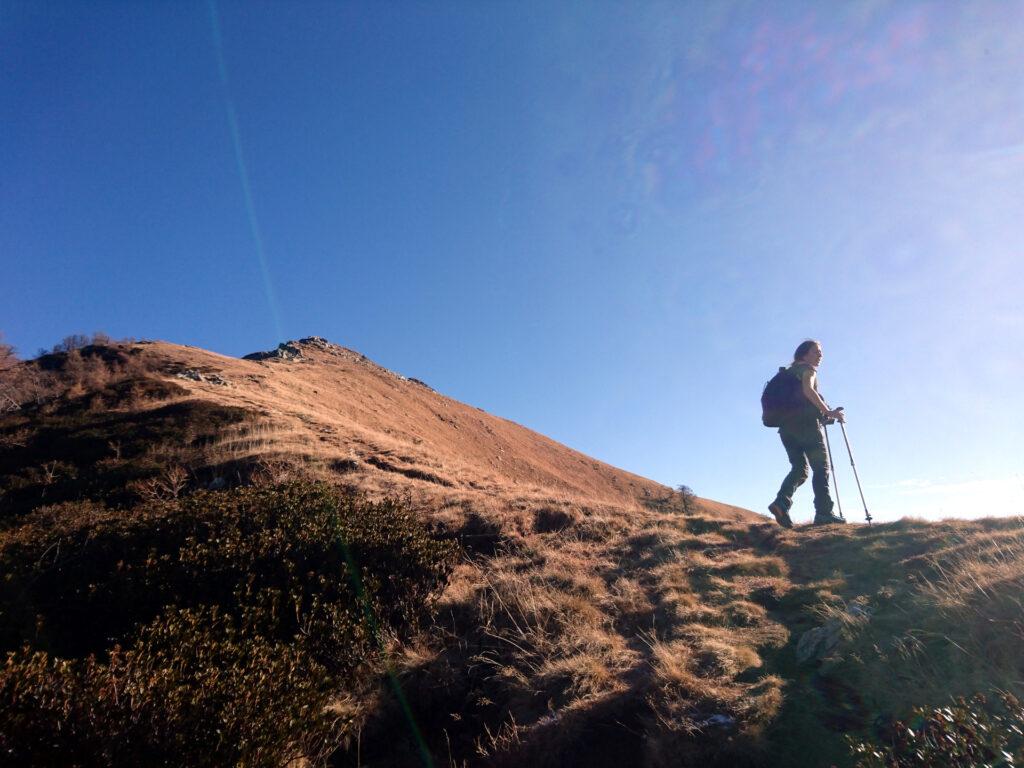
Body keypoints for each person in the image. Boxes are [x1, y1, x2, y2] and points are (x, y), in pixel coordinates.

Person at [768, 340, 846, 527]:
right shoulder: (807, 370)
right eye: (816, 352)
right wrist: (828, 412)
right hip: (806, 427)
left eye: (821, 353)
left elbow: (801, 398)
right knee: (820, 467)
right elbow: (808, 390)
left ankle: (781, 503)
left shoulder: (787, 374)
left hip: (786, 429)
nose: (820, 356)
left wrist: (823, 414)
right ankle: (824, 513)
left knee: (799, 469)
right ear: (804, 354)